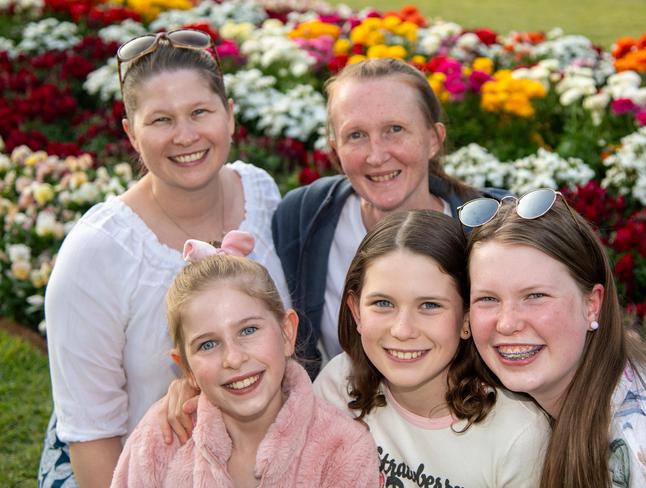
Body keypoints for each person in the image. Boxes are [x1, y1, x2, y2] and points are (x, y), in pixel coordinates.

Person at [38, 29, 289, 488]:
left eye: (199, 112)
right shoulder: (96, 254)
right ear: (131, 133)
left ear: (230, 116)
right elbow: (93, 437)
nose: (186, 136)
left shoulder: (261, 194)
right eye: (161, 120)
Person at [272, 57, 506, 374]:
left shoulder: (490, 228)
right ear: (335, 150)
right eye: (356, 135)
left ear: (433, 139)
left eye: (394, 130)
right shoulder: (303, 215)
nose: (376, 155)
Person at [111, 237, 380, 487]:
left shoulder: (343, 448)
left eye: (248, 330)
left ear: (287, 332)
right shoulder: (158, 441)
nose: (234, 358)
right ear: (186, 368)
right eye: (208, 344)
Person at [313, 209, 550, 487]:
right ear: (356, 313)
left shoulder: (517, 436)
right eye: (383, 303)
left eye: (429, 305)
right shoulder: (339, 386)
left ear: (466, 318)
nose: (402, 330)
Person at [461, 188, 646, 488]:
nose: (508, 323)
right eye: (487, 299)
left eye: (535, 296)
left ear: (592, 304)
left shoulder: (636, 446)